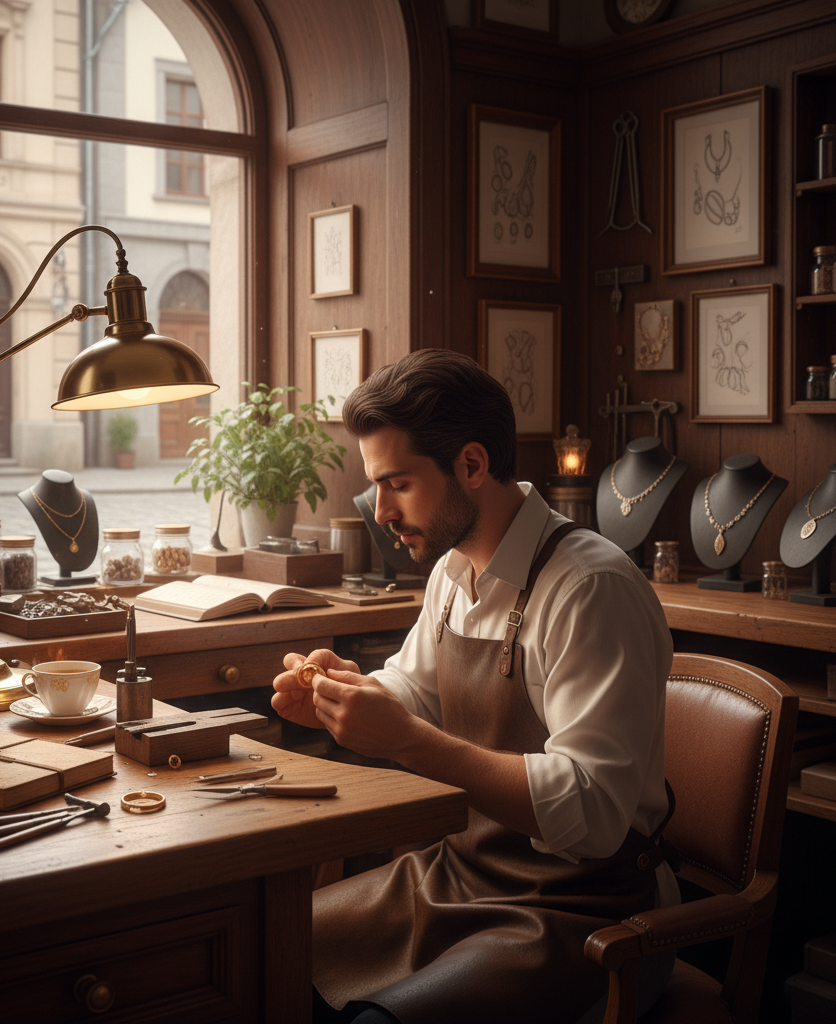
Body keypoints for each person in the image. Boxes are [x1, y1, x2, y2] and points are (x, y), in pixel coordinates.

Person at [272, 350, 678, 1024]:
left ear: (471, 465)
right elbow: (414, 690)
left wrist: (407, 742)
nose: (380, 509)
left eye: (397, 483)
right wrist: (344, 698)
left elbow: (595, 813)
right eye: (378, 486)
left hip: (586, 909)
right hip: (456, 877)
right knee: (262, 955)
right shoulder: (452, 569)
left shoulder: (590, 590)